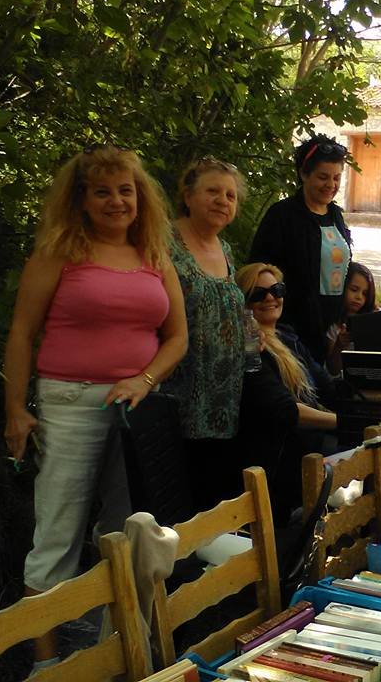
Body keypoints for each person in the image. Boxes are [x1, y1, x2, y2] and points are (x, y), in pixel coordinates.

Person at [2, 145, 189, 670]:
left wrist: (144, 378)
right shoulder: (61, 249)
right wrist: (16, 408)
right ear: (82, 199)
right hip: (69, 403)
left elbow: (177, 337)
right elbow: (21, 333)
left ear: (140, 197)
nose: (116, 201)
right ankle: (46, 663)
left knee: (128, 529)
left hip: (136, 411)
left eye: (125, 190)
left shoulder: (154, 254)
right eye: (103, 192)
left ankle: (119, 647)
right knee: (58, 531)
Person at [165, 156, 248, 512]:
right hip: (178, 393)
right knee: (177, 494)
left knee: (212, 495)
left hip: (224, 398)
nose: (223, 201)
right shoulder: (164, 243)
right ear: (187, 195)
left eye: (230, 196)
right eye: (212, 191)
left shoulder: (225, 249)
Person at [235, 263, 338, 520]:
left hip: (313, 442)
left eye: (276, 289)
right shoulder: (250, 350)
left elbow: (328, 387)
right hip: (285, 461)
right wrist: (342, 422)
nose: (270, 298)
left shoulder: (287, 337)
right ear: (244, 303)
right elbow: (286, 411)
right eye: (258, 294)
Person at [249, 134, 351, 364]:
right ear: (304, 174)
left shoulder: (336, 215)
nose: (331, 185)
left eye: (336, 178)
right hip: (292, 327)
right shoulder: (282, 215)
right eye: (323, 177)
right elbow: (259, 270)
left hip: (331, 328)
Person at [326, 261, 378, 375]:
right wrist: (339, 345)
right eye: (354, 290)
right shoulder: (333, 325)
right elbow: (333, 370)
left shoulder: (374, 318)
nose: (359, 297)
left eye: (365, 293)